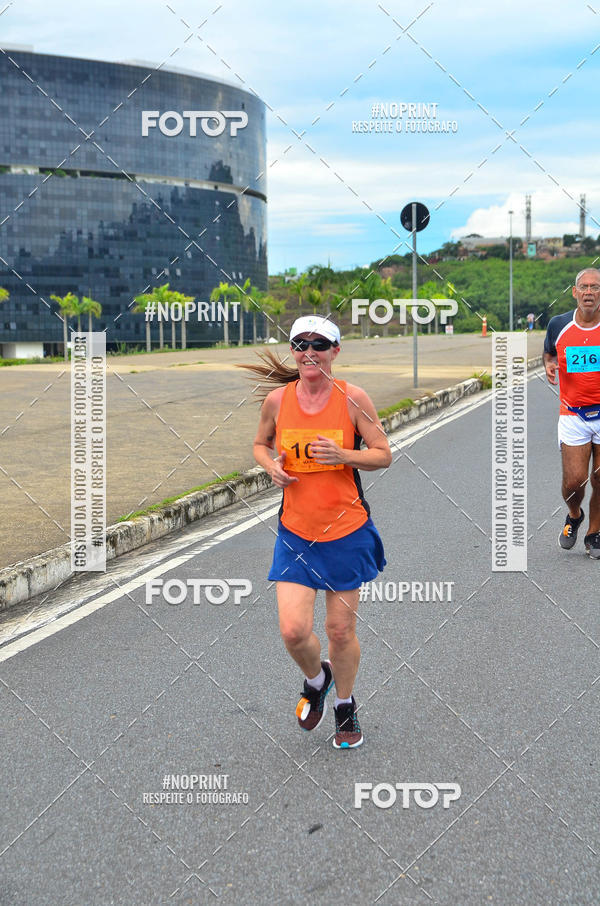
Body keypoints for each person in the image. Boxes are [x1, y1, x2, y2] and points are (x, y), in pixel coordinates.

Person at [241, 315, 391, 748]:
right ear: (293, 351)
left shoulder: (352, 398)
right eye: (300, 344)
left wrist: (342, 454)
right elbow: (259, 444)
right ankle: (317, 677)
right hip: (296, 532)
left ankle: (344, 705)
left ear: (335, 352)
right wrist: (270, 466)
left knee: (340, 631)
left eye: (319, 345)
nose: (309, 352)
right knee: (292, 630)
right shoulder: (277, 400)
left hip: (346, 531)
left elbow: (383, 455)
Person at [544, 268, 600, 558]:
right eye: (584, 287)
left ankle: (594, 533)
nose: (589, 292)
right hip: (573, 414)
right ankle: (575, 514)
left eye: (595, 287)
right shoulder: (559, 324)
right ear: (575, 292)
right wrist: (549, 364)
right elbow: (549, 352)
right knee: (573, 481)